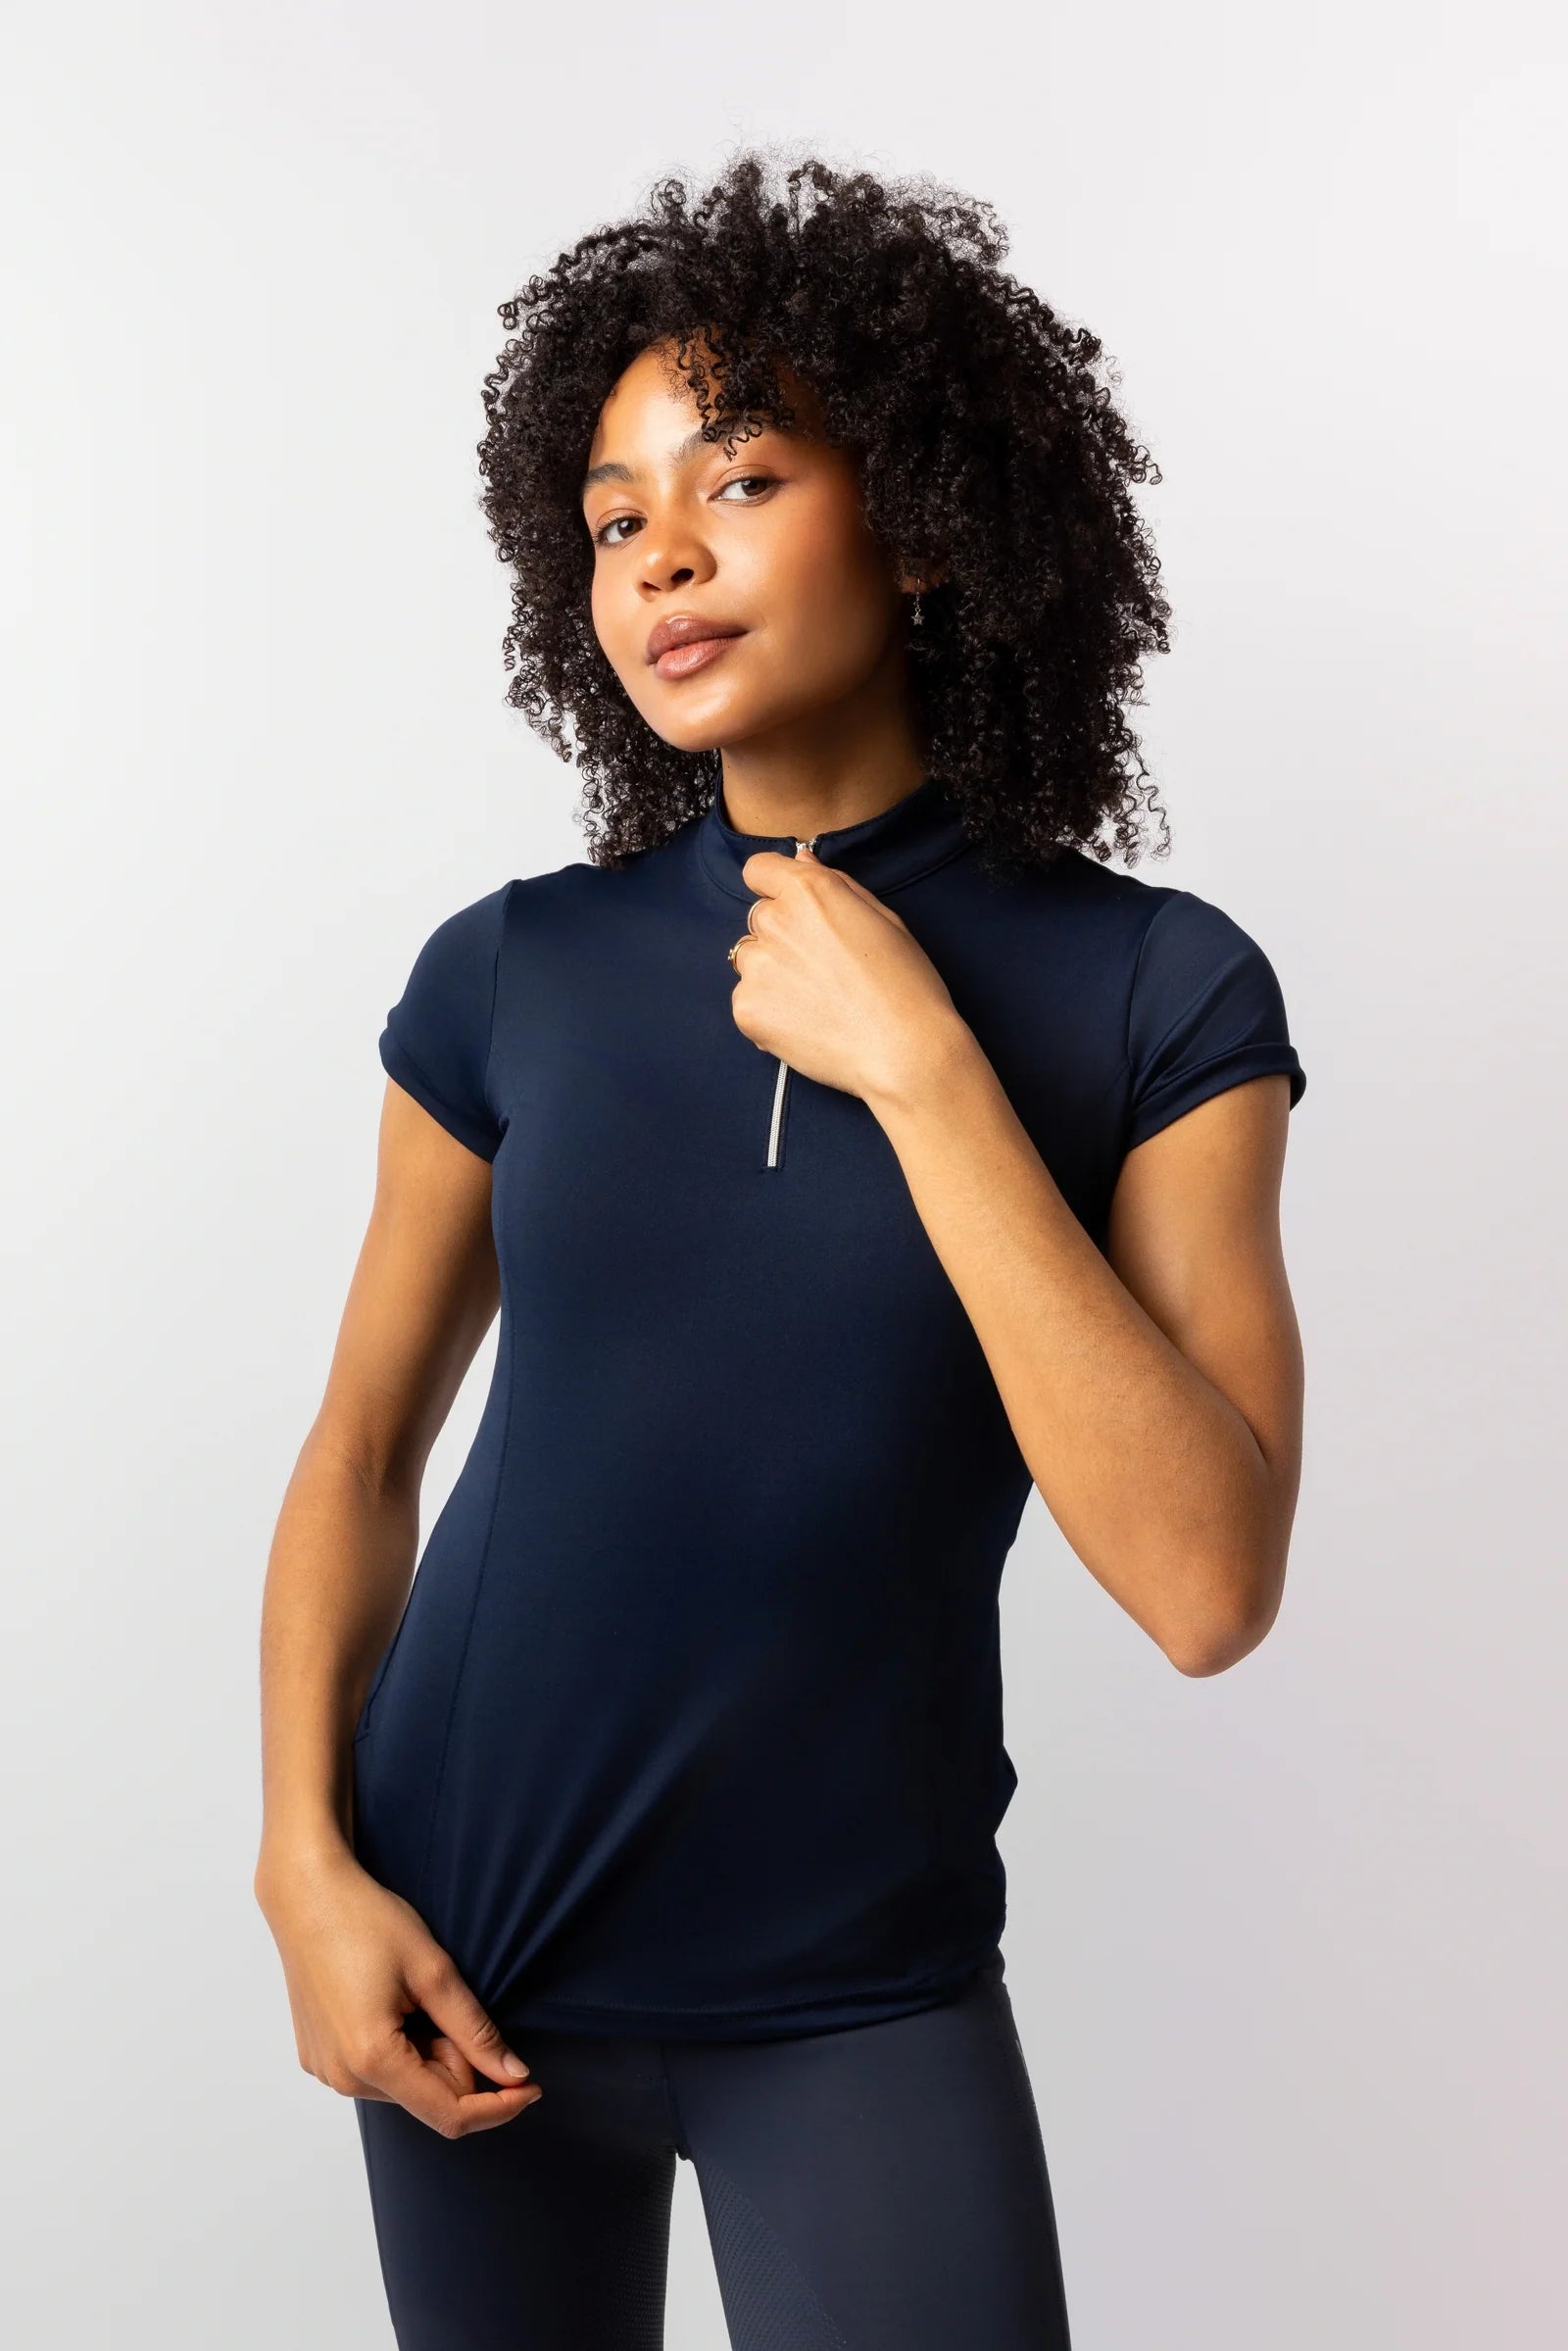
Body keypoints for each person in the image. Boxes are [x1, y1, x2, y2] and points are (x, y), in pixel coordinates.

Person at [254, 152, 1306, 2350]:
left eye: (737, 479)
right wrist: (302, 1864)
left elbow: (1206, 1584)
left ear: (920, 520)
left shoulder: (1153, 991)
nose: (662, 554)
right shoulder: (512, 971)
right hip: (465, 1953)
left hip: (857, 1988)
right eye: (612, 517)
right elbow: (361, 1452)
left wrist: (926, 1072)